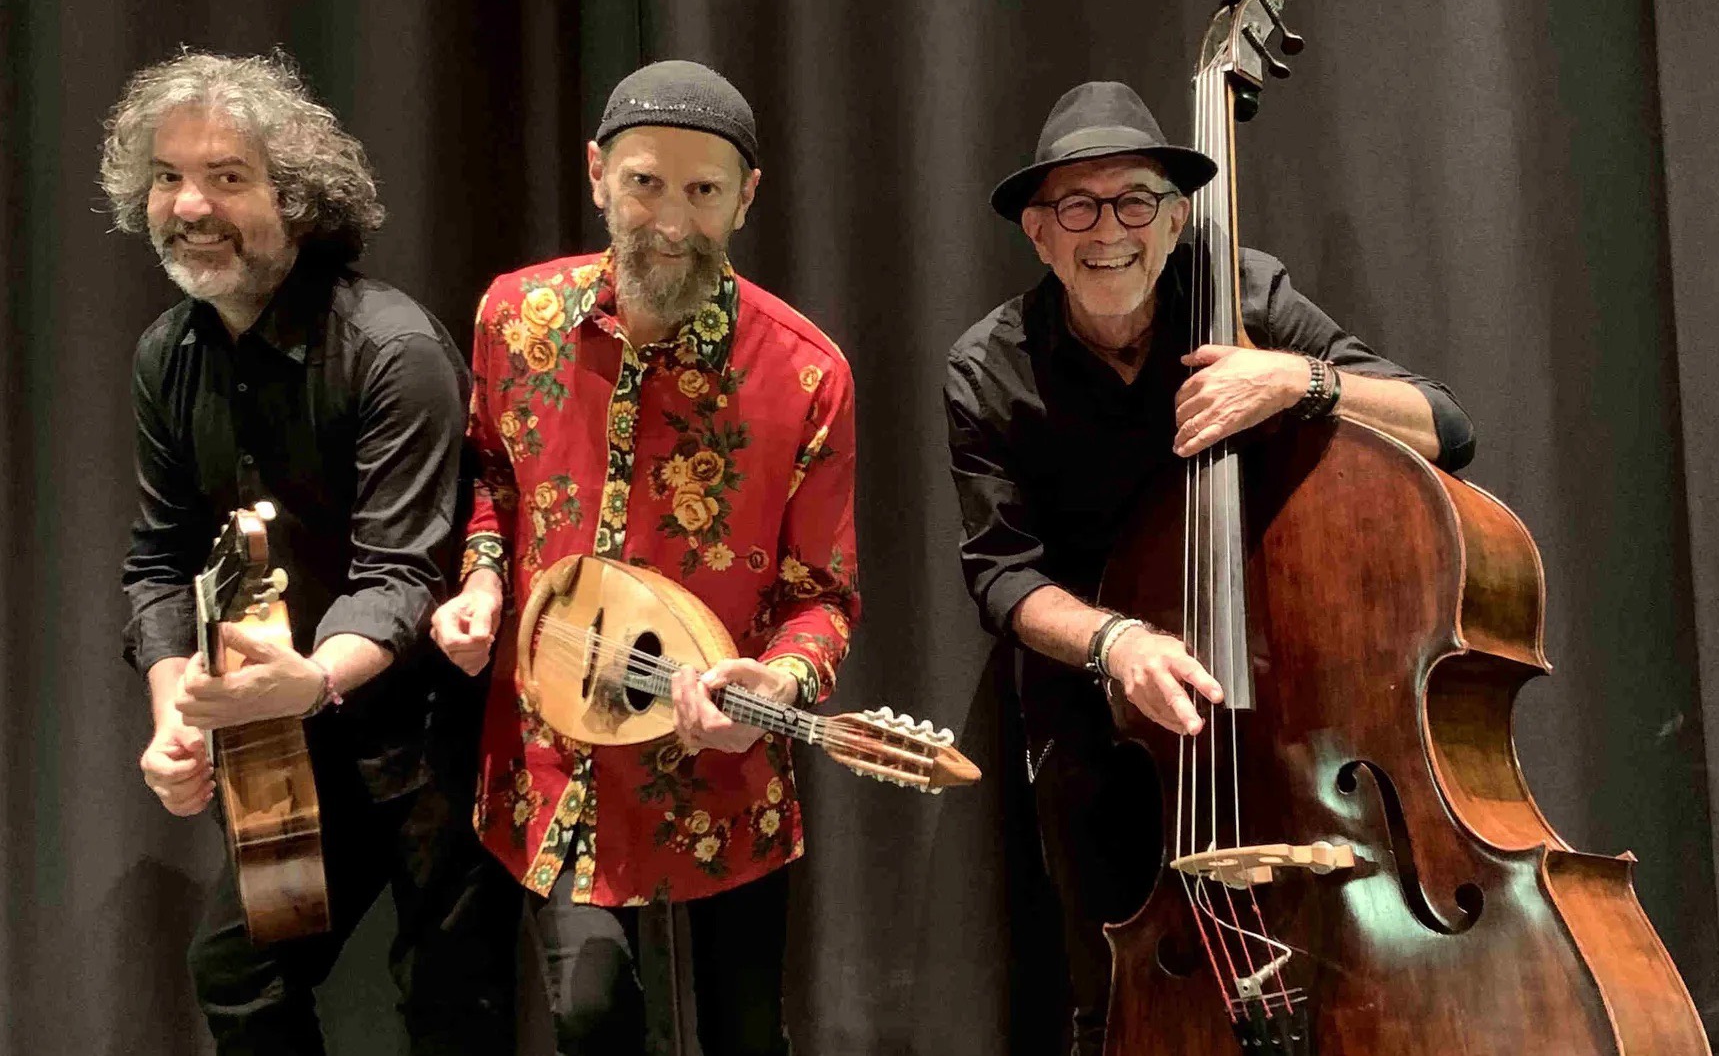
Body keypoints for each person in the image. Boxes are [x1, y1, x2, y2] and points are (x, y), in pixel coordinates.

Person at [943, 81, 1476, 1055]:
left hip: (1287, 699)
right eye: (1077, 206)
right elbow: (1003, 574)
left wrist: (1298, 379)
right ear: (1037, 232)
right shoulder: (988, 369)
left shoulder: (1246, 295)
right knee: (1116, 991)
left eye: (1135, 200)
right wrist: (1116, 642)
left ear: (1177, 216)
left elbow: (1444, 426)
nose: (1110, 229)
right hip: (1103, 713)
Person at [430, 59, 858, 1056]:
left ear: (747, 197)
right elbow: (490, 475)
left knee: (747, 1036)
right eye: (644, 183)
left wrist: (777, 680)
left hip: (722, 763)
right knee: (591, 1016)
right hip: (557, 741)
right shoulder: (515, 318)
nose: (670, 219)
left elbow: (824, 595)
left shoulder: (805, 372)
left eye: (703, 190)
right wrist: (482, 575)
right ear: (596, 175)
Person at [111, 50, 519, 1055]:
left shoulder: (390, 348)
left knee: (449, 1002)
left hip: (436, 735)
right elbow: (159, 561)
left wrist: (310, 680)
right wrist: (176, 717)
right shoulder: (167, 355)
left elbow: (399, 575)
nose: (189, 204)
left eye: (227, 176)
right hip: (290, 738)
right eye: (167, 176)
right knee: (242, 973)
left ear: (296, 199)